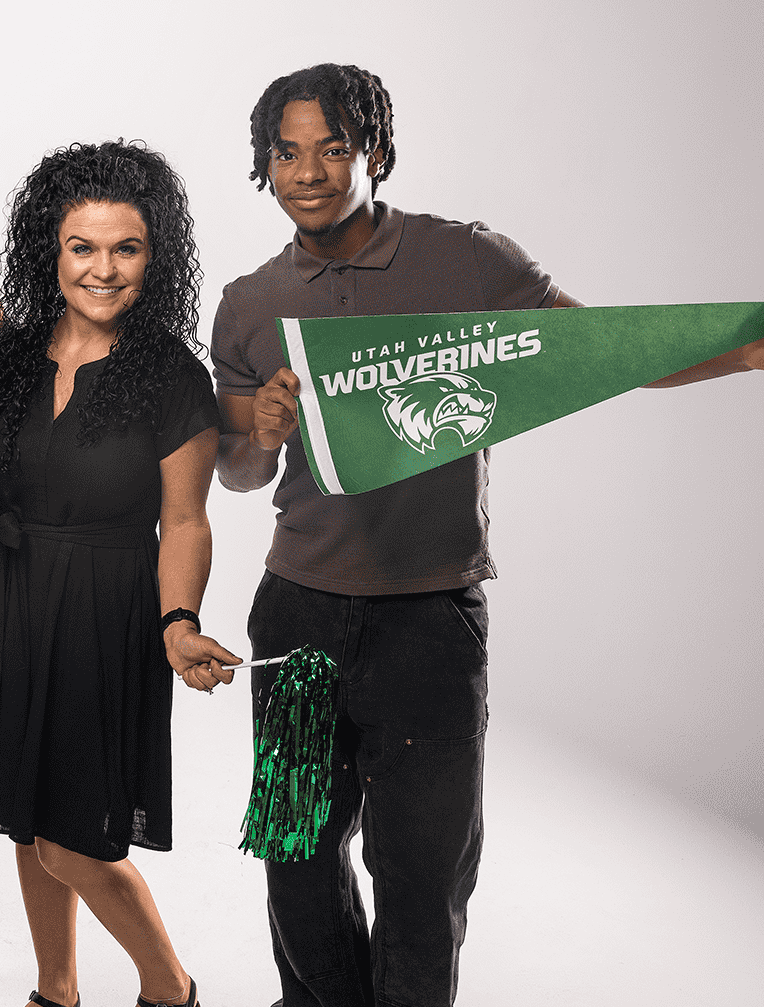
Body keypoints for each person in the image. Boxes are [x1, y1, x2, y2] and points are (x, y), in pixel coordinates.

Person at [211, 62, 764, 1007]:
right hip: (298, 618)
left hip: (428, 620)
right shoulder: (249, 301)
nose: (309, 171)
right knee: (296, 857)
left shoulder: (464, 260)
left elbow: (599, 353)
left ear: (375, 152)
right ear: (266, 166)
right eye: (287, 153)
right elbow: (235, 470)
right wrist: (256, 431)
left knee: (423, 882)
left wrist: (747, 342)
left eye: (334, 148)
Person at [0, 140, 236, 1007]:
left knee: (77, 838)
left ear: (157, 257)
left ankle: (169, 990)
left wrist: (179, 623)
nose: (104, 269)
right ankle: (56, 990)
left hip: (106, 616)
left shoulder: (173, 378)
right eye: (84, 247)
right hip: (8, 601)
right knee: (29, 819)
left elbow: (186, 520)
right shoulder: (7, 360)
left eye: (127, 248)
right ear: (52, 249)